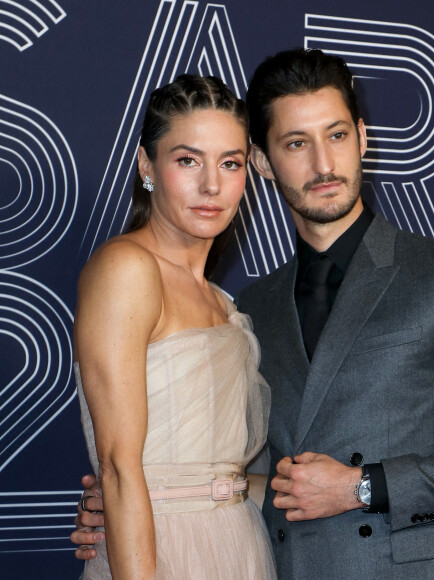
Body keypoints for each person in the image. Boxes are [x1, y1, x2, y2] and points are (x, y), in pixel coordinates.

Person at [73, 49, 434, 578]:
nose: (324, 164)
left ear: (363, 138)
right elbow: (252, 477)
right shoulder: (252, 307)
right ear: (264, 164)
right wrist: (149, 500)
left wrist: (363, 487)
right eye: (297, 143)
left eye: (337, 135)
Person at [72, 74, 276, 579]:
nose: (212, 185)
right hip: (160, 554)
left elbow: (218, 470)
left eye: (229, 163)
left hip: (237, 546)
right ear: (147, 165)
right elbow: (120, 471)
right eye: (188, 160)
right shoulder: (126, 268)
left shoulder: (222, 301)